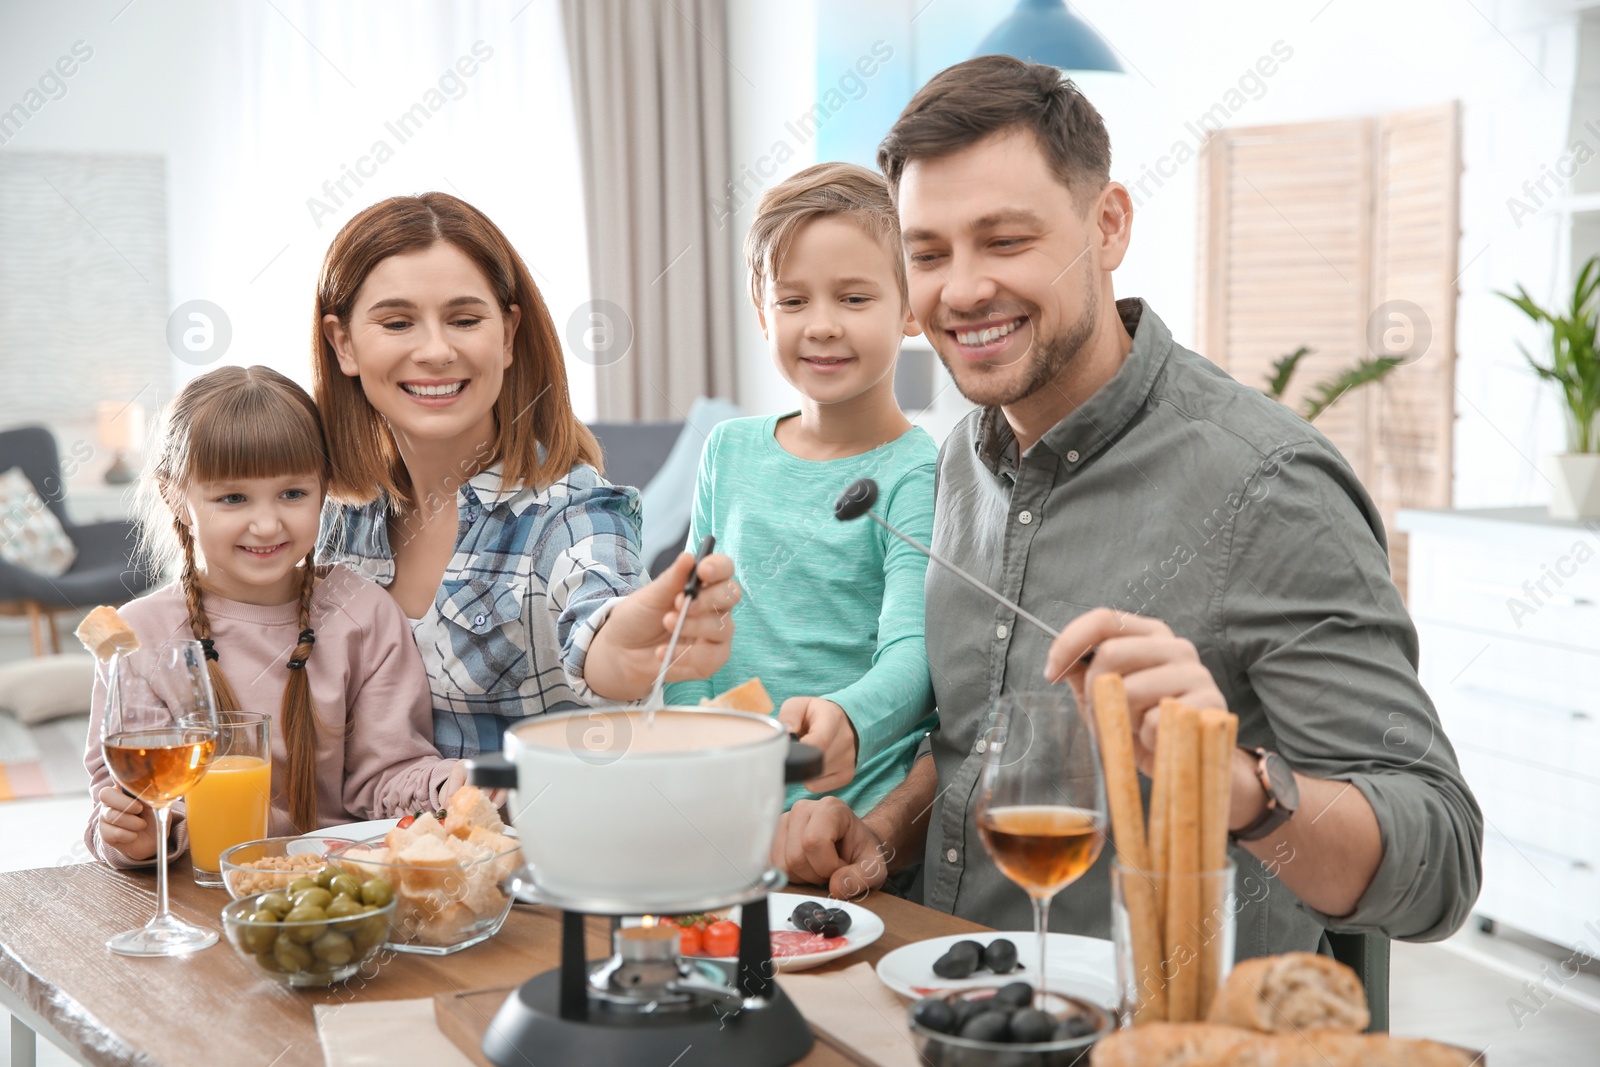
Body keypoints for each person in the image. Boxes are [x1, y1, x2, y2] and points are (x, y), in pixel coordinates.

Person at [773, 56, 1482, 957]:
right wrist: (888, 827)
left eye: (1005, 239)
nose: (959, 289)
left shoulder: (1270, 484)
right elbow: (979, 748)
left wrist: (1234, 782)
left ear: (1108, 226)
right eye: (927, 253)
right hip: (947, 1009)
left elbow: (1444, 862)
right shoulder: (961, 456)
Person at [312, 193, 741, 758]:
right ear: (343, 343)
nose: (437, 350)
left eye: (465, 320)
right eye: (397, 322)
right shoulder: (340, 516)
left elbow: (602, 618)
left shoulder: (572, 513)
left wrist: (625, 651)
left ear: (508, 336)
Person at [86, 366, 465, 867]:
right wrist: (132, 838)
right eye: (233, 498)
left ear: (323, 490)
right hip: (204, 896)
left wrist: (444, 784)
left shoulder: (365, 614)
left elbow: (387, 775)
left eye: (293, 494)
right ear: (175, 497)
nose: (266, 525)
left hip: (343, 890)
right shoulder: (138, 637)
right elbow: (122, 802)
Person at [665, 162, 938, 814]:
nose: (820, 325)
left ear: (911, 310)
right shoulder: (726, 449)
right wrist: (695, 741)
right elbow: (689, 626)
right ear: (764, 315)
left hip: (846, 807)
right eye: (793, 301)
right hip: (721, 800)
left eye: (853, 298)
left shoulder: (917, 469)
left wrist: (841, 719)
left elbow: (911, 653)